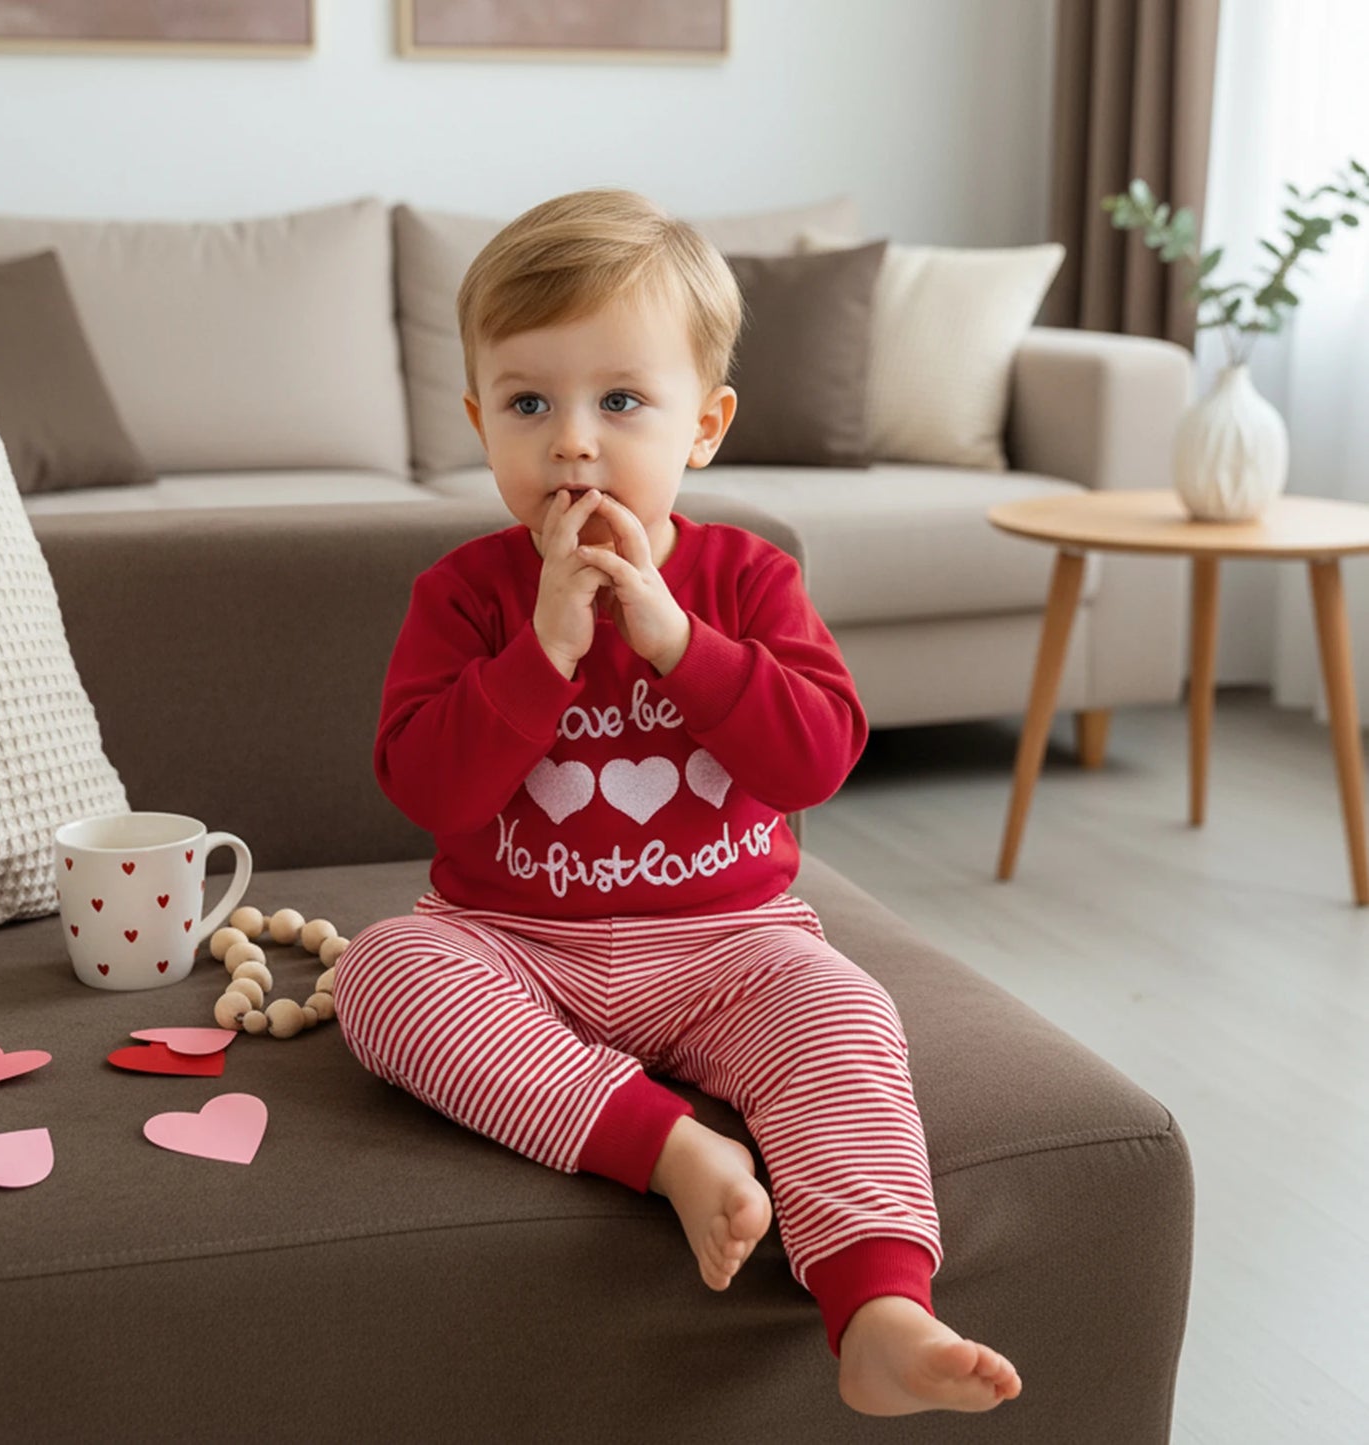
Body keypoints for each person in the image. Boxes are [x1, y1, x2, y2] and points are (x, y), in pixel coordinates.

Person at [333, 188, 1022, 1417]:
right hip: (514, 946)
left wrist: (678, 642)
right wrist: (538, 656)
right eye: (528, 402)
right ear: (477, 419)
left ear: (702, 427)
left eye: (621, 402)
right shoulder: (463, 594)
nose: (572, 443)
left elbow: (814, 757)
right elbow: (422, 788)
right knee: (384, 970)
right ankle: (666, 1146)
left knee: (844, 1012)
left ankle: (876, 1309)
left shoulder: (747, 577)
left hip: (730, 948)